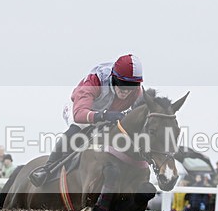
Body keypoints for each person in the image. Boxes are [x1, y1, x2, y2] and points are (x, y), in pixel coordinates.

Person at [29, 53, 144, 187]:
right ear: (113, 77)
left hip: (108, 115)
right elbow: (79, 114)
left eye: (131, 86)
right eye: (122, 84)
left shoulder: (137, 91)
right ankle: (47, 169)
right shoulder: (94, 81)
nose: (126, 91)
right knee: (75, 131)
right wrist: (104, 116)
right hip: (80, 110)